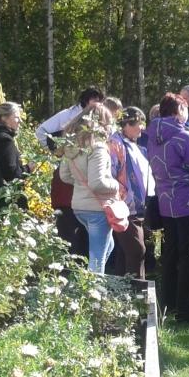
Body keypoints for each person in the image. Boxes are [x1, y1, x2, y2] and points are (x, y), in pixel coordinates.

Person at [146, 93, 189, 323]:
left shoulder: (152, 137)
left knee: (170, 255)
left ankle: (167, 304)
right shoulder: (184, 137)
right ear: (178, 112)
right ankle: (185, 312)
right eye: (185, 110)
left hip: (166, 203)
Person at [38, 87, 104, 253]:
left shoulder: (98, 117)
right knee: (68, 224)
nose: (97, 104)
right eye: (94, 100)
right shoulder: (67, 115)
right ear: (86, 100)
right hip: (68, 172)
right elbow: (41, 131)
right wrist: (55, 152)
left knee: (85, 232)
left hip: (84, 177)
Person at [58, 103, 121, 275]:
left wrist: (81, 185)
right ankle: (91, 290)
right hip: (97, 209)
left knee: (108, 246)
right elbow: (97, 183)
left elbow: (64, 175)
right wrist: (117, 185)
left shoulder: (71, 145)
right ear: (103, 123)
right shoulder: (98, 147)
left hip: (79, 206)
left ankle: (85, 282)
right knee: (97, 259)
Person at [108, 107, 156, 278]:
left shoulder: (134, 144)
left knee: (125, 252)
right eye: (139, 123)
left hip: (138, 207)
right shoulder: (115, 143)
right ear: (127, 124)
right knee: (137, 250)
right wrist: (123, 197)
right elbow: (110, 175)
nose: (143, 128)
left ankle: (122, 290)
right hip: (125, 207)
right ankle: (138, 290)